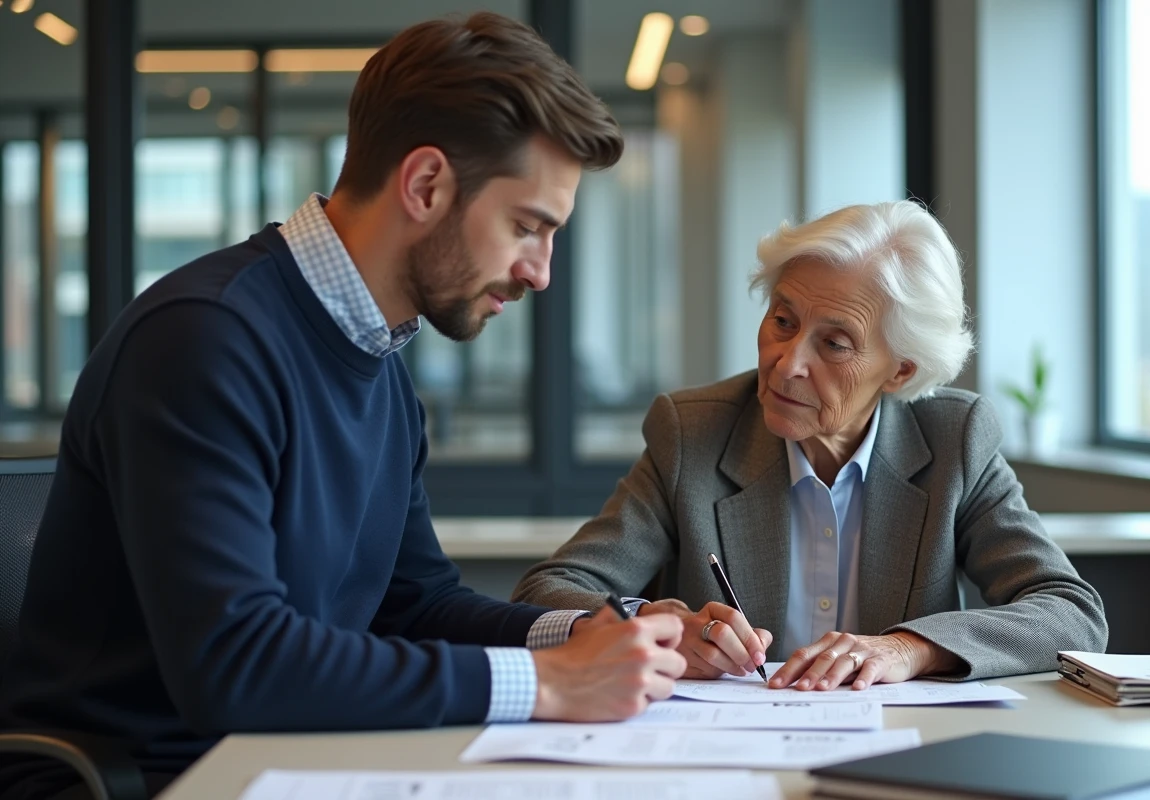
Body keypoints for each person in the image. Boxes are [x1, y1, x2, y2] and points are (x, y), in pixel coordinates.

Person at [0, 13, 688, 800]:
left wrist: (601, 637)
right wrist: (547, 684)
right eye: (527, 227)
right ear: (426, 185)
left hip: (292, 764)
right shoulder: (202, 341)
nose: (540, 273)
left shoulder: (378, 358)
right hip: (153, 780)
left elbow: (414, 602)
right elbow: (238, 665)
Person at [513, 200, 1107, 693]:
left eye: (835, 343)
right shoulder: (692, 435)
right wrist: (654, 624)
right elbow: (546, 591)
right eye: (783, 321)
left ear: (900, 370)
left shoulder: (955, 441)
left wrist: (910, 648)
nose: (787, 363)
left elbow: (1070, 612)